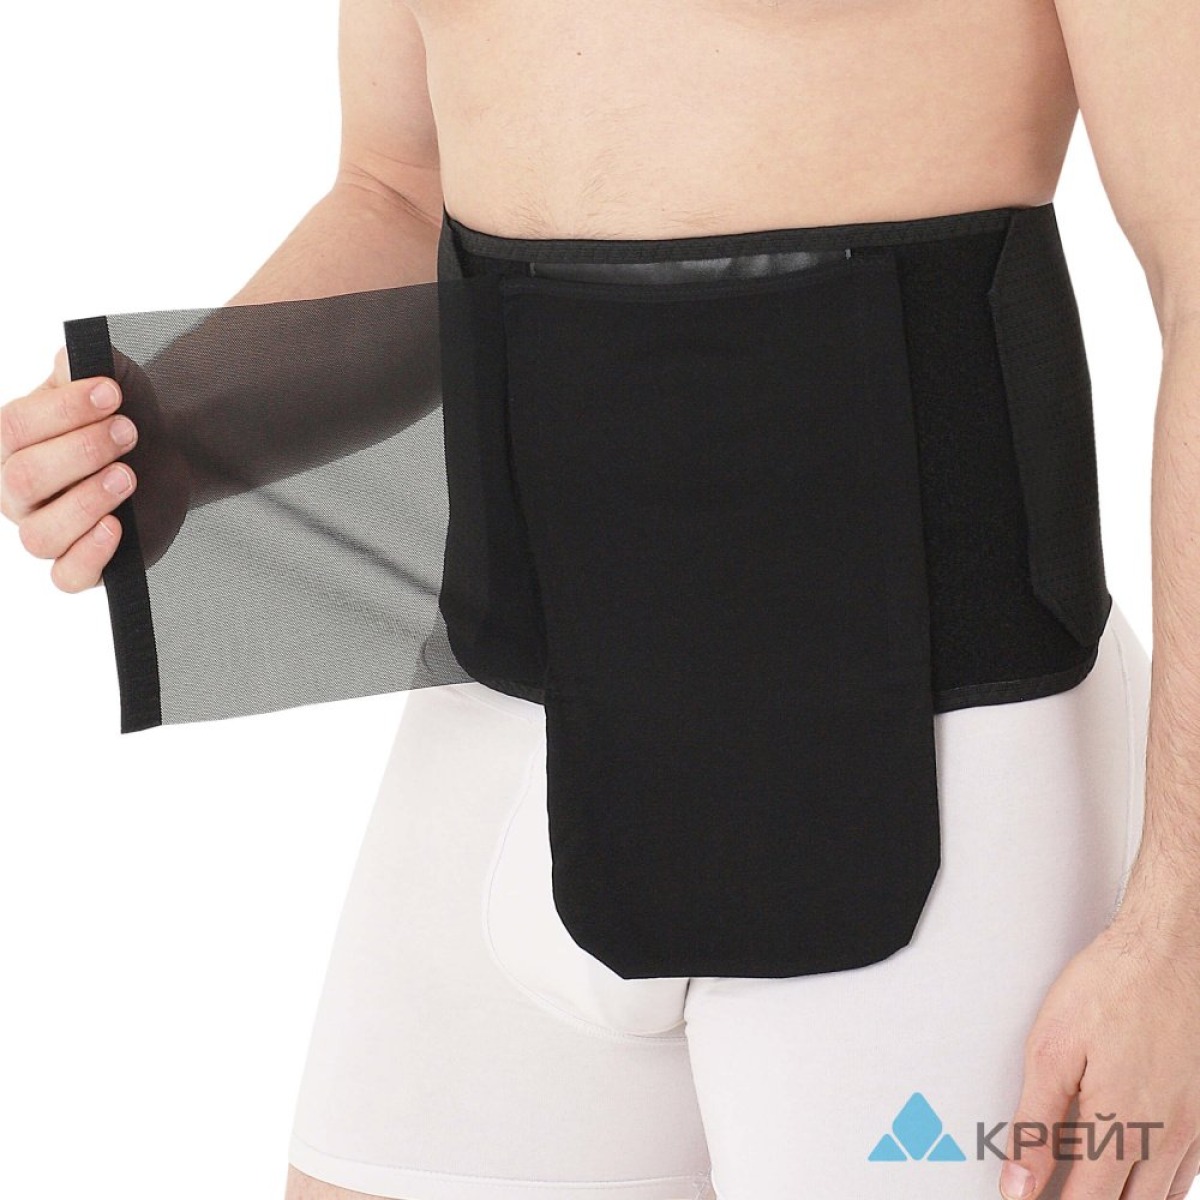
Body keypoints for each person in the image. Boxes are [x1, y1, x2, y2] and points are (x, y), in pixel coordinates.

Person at [3, 0, 1200, 1198]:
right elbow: (400, 191)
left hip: (940, 790)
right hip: (505, 744)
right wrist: (176, 429)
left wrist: (1178, 942)